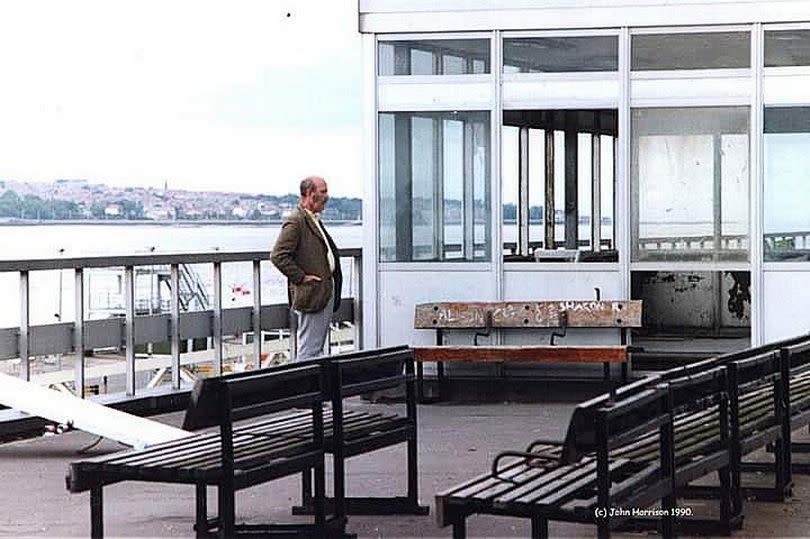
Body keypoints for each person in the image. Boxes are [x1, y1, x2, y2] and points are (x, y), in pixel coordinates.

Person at [271, 176, 342, 361]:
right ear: (310, 194)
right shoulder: (296, 221)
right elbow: (278, 255)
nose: (327, 196)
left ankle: (312, 386)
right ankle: (305, 386)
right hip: (313, 294)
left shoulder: (312, 219)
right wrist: (301, 278)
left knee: (314, 348)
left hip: (321, 292)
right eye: (323, 191)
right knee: (309, 351)